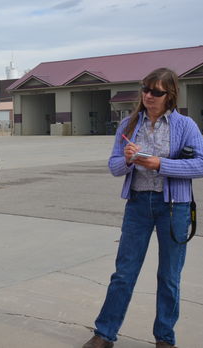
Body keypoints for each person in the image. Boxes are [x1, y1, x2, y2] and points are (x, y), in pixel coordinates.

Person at [83, 68, 203, 348]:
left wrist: (161, 164)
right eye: (145, 89)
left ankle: (164, 338)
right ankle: (104, 334)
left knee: (169, 275)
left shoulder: (185, 126)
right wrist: (126, 159)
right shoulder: (128, 124)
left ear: (170, 94)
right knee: (124, 273)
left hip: (174, 207)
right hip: (138, 204)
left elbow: (200, 163)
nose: (148, 96)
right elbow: (113, 168)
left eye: (156, 92)